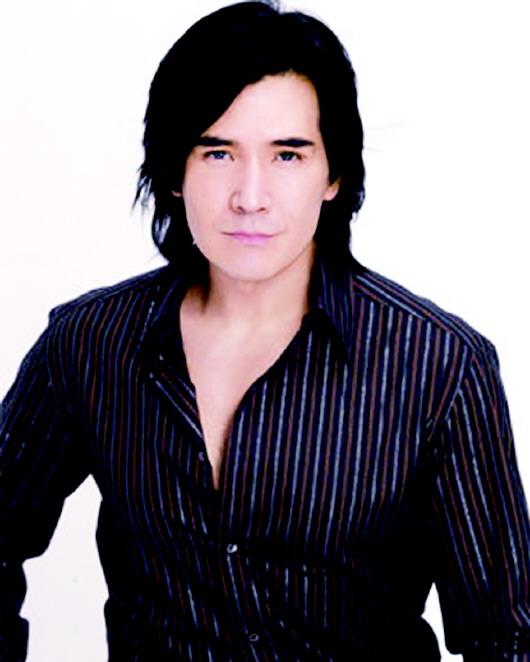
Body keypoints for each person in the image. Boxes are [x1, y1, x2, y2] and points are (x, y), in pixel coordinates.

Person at [1, 1, 529, 660]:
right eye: (218, 152)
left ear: (334, 174)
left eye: (287, 155)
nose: (250, 197)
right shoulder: (90, 343)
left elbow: (508, 637)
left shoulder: (439, 366)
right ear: (174, 170)